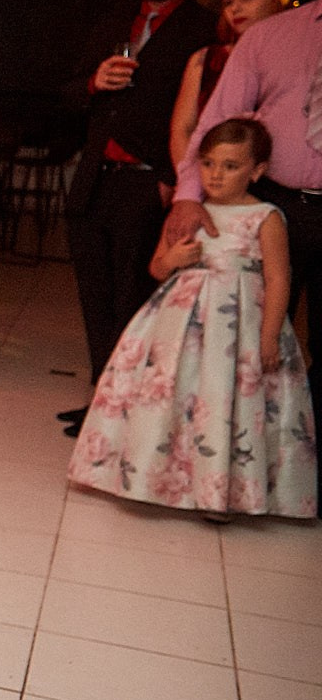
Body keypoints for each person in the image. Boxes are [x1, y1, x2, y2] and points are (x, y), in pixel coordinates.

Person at [70, 119, 316, 518]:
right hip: (180, 325)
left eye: (230, 166)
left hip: (238, 328)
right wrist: (174, 259)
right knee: (177, 396)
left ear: (256, 171)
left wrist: (270, 335)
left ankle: (222, 491)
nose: (216, 175)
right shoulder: (187, 212)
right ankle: (154, 478)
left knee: (226, 401)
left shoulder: (266, 217)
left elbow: (278, 279)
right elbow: (156, 267)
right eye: (208, 163)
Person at [164, 0, 322, 508]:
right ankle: (236, 473)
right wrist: (189, 195)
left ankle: (304, 481)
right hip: (276, 200)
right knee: (254, 352)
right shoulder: (272, 35)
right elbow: (217, 123)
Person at [59, 0, 218, 437]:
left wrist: (174, 180)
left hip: (151, 181)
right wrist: (93, 82)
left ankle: (126, 410)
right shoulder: (114, 23)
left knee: (136, 299)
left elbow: (206, 118)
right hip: (94, 178)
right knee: (96, 298)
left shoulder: (205, 28)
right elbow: (67, 93)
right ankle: (102, 398)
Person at [168, 0, 288, 170]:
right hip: (213, 177)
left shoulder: (296, 55)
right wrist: (191, 181)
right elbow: (182, 129)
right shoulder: (207, 59)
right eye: (228, 2)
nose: (236, 8)